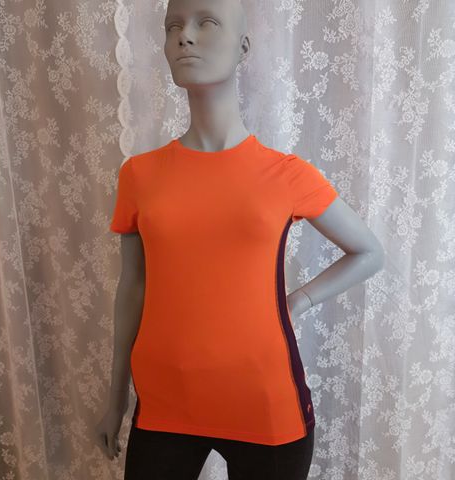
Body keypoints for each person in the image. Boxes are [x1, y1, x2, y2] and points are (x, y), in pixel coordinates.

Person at [97, 0, 385, 478]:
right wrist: (116, 400)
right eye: (173, 27)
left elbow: (369, 252)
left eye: (206, 23)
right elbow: (133, 287)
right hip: (165, 403)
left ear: (243, 47)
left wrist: (298, 301)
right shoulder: (139, 175)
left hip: (266, 406)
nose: (184, 36)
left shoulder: (287, 175)